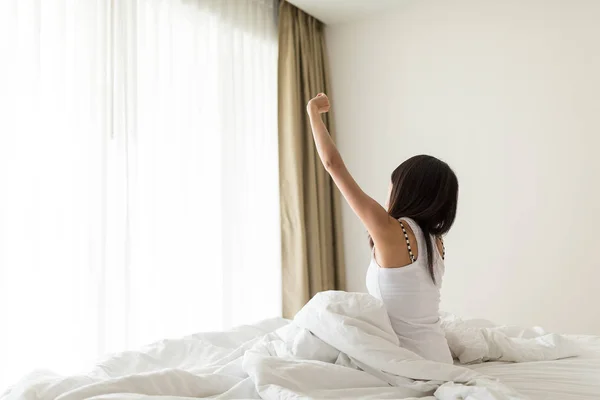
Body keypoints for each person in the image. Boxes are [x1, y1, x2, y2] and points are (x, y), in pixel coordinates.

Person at [306, 93, 458, 364]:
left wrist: (312, 114)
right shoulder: (436, 241)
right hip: (439, 358)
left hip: (406, 363)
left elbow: (333, 165)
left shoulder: (390, 231)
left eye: (391, 186)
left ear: (403, 190)